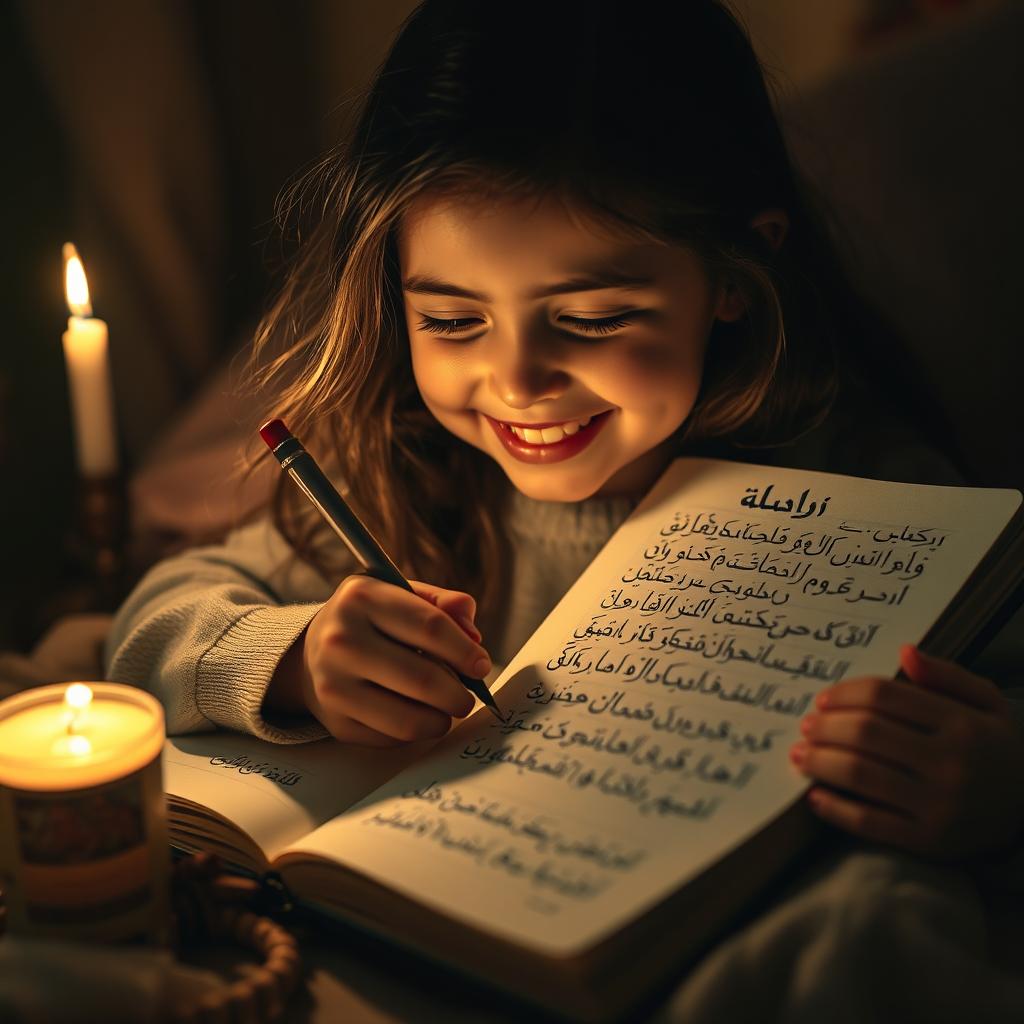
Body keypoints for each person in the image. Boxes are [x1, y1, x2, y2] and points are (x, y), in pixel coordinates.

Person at [106, 2, 1024, 1018]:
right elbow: (151, 618)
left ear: (730, 273)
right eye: (451, 319)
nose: (518, 380)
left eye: (589, 318)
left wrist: (993, 785)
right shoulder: (406, 476)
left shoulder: (875, 496)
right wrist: (294, 656)